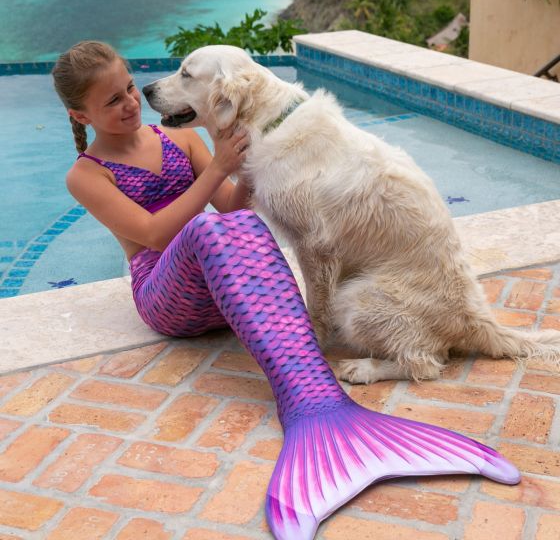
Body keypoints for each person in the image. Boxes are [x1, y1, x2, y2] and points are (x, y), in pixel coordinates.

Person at [52, 41, 519, 540]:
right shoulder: (85, 175)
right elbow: (156, 235)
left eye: (128, 88)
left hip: (222, 287)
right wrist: (219, 167)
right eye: (112, 102)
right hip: (167, 297)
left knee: (245, 226)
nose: (130, 103)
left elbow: (232, 208)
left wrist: (254, 159)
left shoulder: (177, 139)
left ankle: (322, 402)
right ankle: (307, 399)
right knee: (211, 232)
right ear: (81, 114)